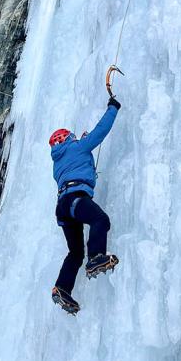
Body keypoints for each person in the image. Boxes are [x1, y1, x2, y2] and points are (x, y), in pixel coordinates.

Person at [49, 95, 121, 314]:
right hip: (76, 199)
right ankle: (96, 258)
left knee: (75, 253)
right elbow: (100, 131)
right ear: (69, 138)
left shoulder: (58, 161)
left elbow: (77, 162)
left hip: (63, 207)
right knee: (100, 219)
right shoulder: (77, 147)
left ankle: (61, 288)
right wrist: (113, 107)